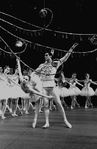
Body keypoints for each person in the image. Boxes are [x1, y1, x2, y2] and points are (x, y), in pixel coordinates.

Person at [33, 43, 78, 128]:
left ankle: (65, 120)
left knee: (58, 103)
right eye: (44, 55)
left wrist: (71, 48)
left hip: (52, 86)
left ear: (50, 56)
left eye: (46, 55)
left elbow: (65, 58)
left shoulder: (55, 63)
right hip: (44, 87)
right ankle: (47, 122)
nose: (45, 57)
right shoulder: (41, 65)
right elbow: (34, 72)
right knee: (46, 105)